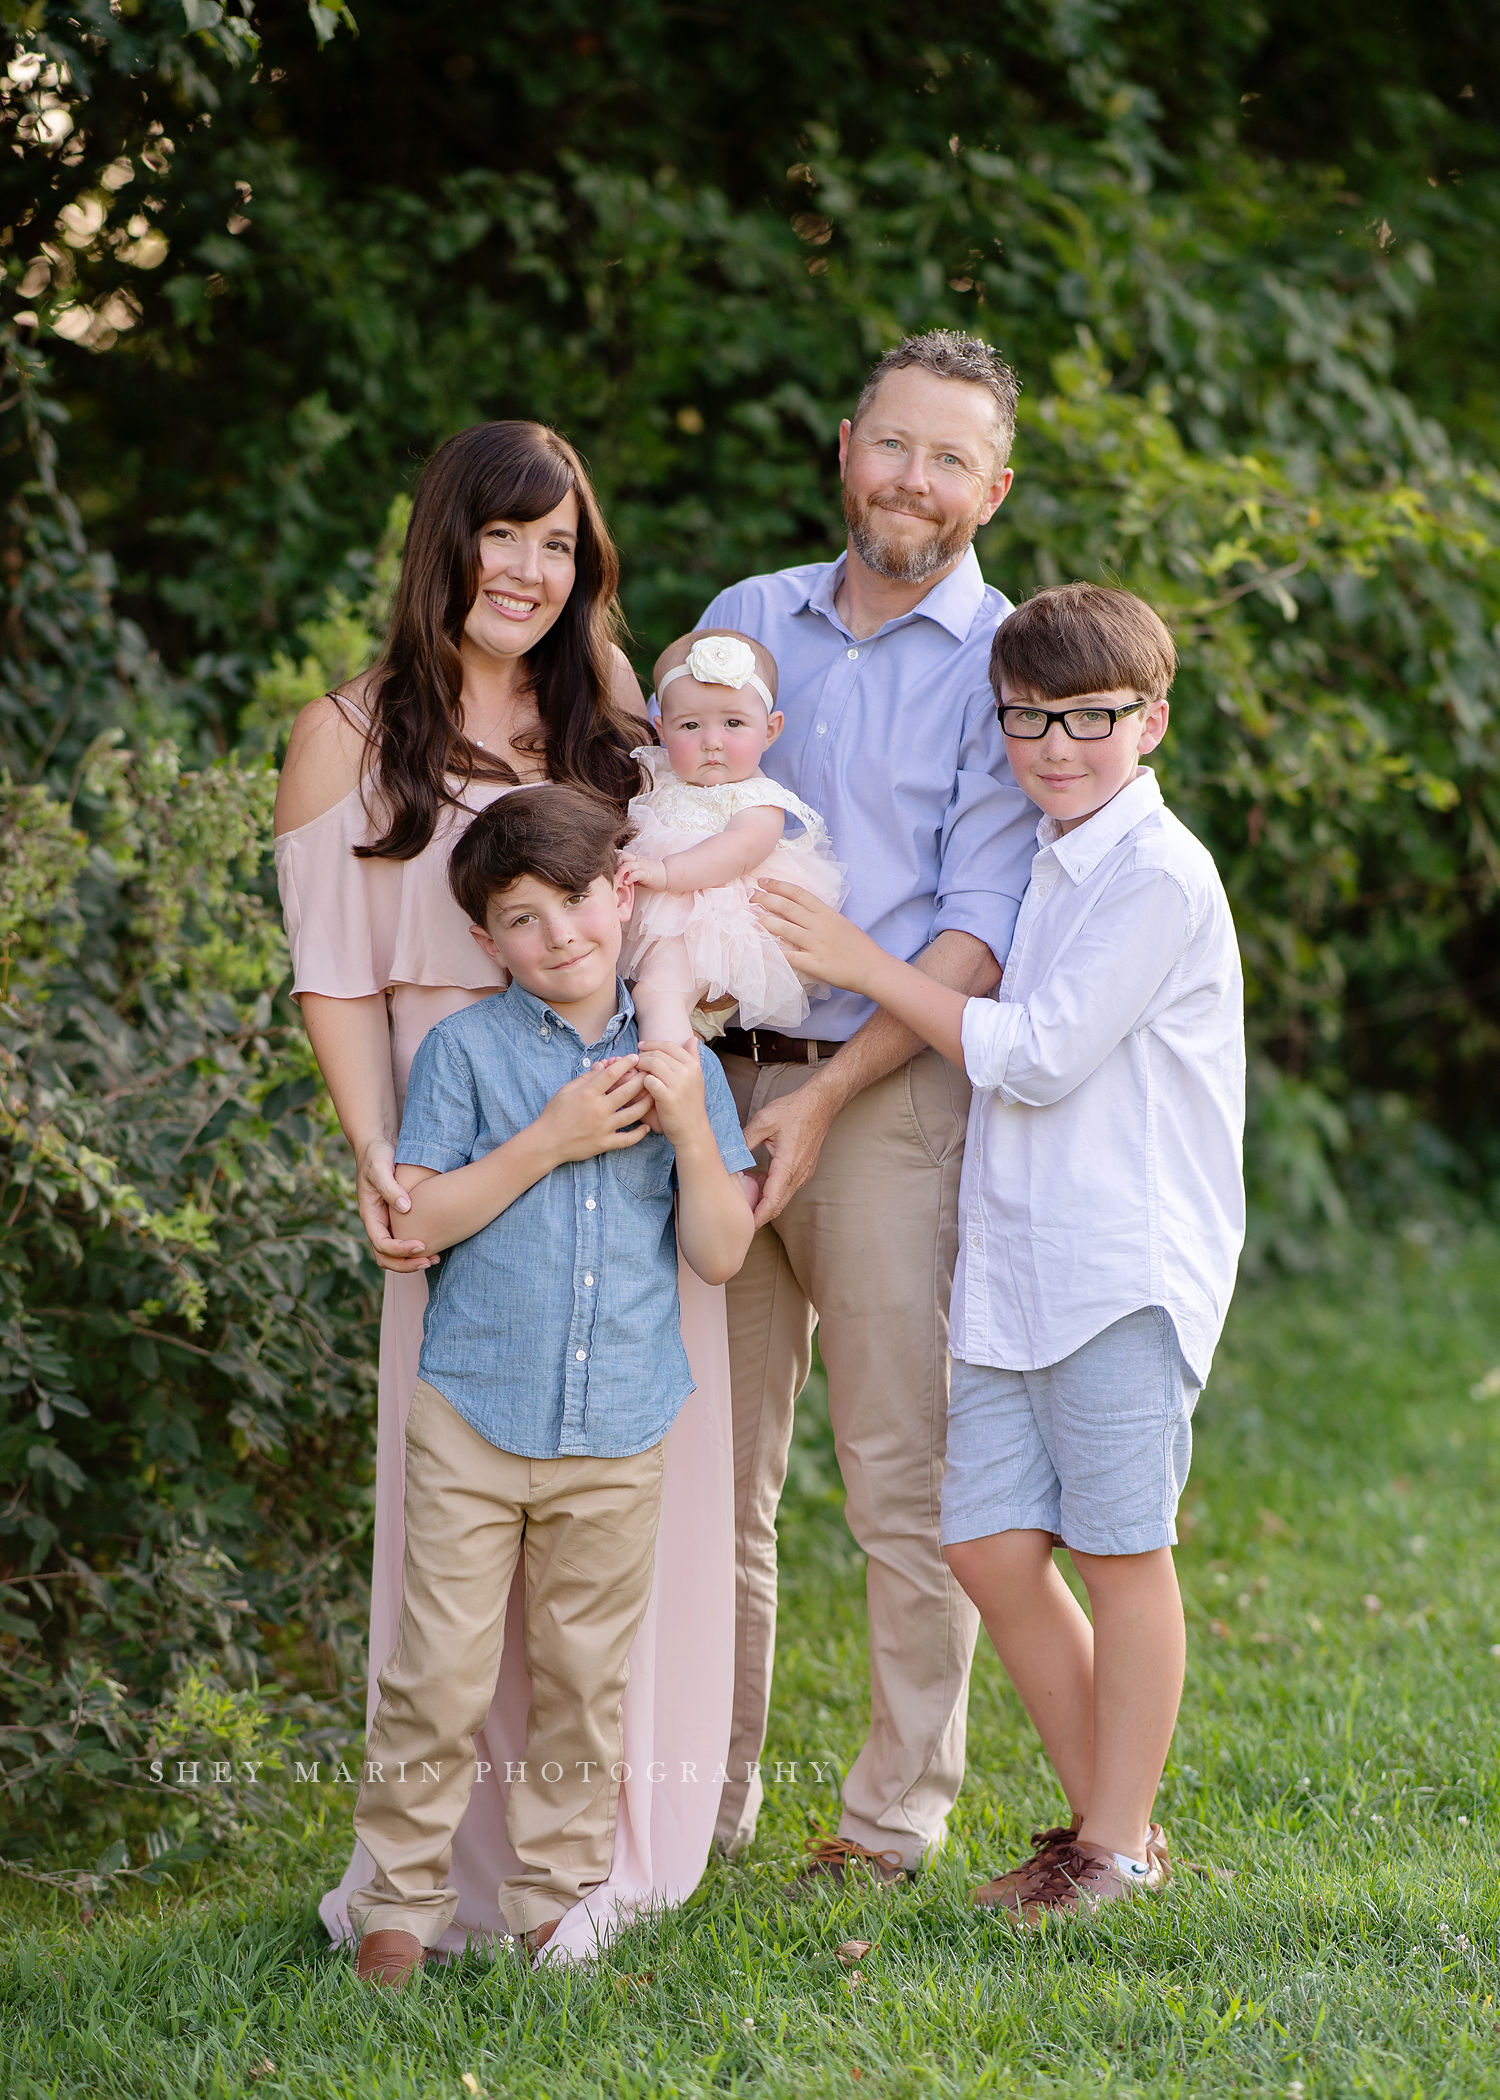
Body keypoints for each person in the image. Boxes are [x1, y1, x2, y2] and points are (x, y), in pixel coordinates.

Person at [274, 421, 743, 1962]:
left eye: (560, 546)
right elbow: (336, 984)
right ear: (445, 544)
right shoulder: (343, 734)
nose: (530, 573)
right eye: (504, 537)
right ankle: (423, 1890)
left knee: (617, 1542)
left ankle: (595, 1875)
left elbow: (685, 898)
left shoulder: (607, 710)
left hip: (628, 1136)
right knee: (455, 1553)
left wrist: (682, 1070)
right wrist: (374, 1156)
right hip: (455, 1138)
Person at [759, 581, 1246, 1918]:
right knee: (983, 1545)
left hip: (1118, 1265)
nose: (1055, 745)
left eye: (1089, 718)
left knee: (1121, 1549)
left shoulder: (1155, 873)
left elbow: (1033, 1057)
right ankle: (1115, 1835)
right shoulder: (1045, 854)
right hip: (1012, 1266)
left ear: (1152, 720)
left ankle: (1111, 1846)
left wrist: (863, 958)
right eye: (1028, 719)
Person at [692, 329, 1039, 1877]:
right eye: (895, 445)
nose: (916, 480)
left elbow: (976, 927)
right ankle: (695, 1802)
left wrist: (828, 1099)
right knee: (709, 1481)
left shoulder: (1012, 663)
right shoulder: (745, 623)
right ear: (847, 447)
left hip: (887, 1106)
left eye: (952, 457)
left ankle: (892, 1821)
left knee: (905, 1479)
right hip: (705, 1096)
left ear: (996, 486)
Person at [348, 787, 757, 1984]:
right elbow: (418, 1222)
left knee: (582, 1682)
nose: (558, 935)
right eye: (520, 919)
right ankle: (397, 1906)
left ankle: (552, 1904)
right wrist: (556, 1137)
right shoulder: (466, 1052)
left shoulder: (682, 1067)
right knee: (439, 1674)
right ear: (487, 942)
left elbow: (722, 1253)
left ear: (621, 895)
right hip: (473, 1410)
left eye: (575, 901)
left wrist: (685, 1128)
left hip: (620, 1425)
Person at [618, 628, 846, 1047]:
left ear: (770, 730)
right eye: (689, 725)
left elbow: (737, 851)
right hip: (655, 921)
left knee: (658, 995)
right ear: (661, 730)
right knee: (643, 1002)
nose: (712, 742)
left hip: (713, 925)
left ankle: (665, 1087)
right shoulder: (656, 774)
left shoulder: (759, 798)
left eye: (734, 723)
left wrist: (665, 872)